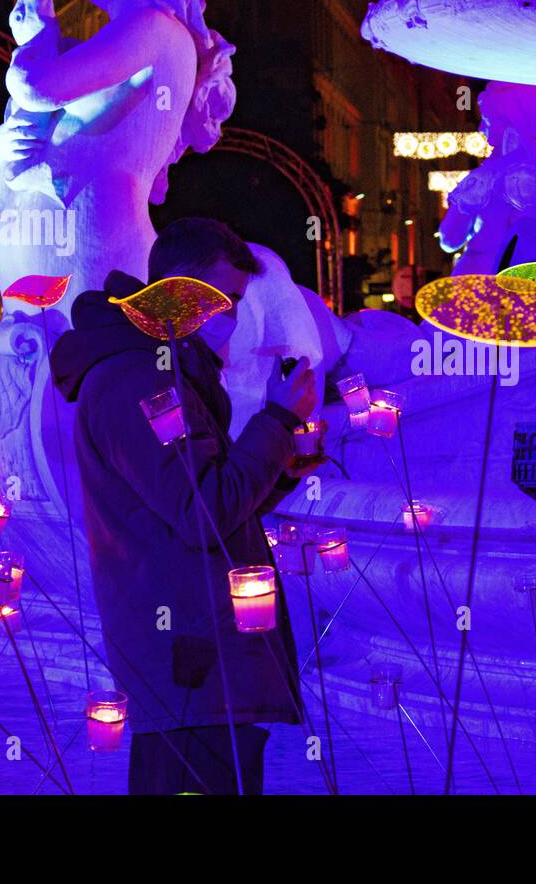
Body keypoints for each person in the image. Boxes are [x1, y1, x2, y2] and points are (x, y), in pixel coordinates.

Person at [50, 217, 319, 795]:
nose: (233, 318)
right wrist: (277, 420)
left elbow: (200, 502)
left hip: (203, 649)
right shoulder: (138, 378)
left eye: (238, 302)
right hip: (187, 654)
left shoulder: (168, 372)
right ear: (177, 289)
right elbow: (203, 511)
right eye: (223, 300)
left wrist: (280, 467)